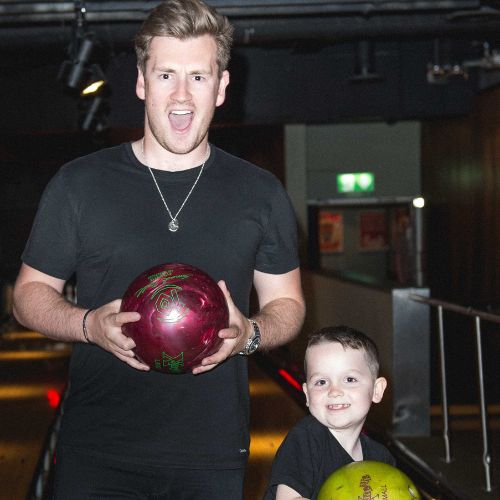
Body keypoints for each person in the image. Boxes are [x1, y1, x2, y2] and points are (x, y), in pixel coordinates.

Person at [12, 1, 305, 498]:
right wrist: (88, 326)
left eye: (199, 76)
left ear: (223, 87)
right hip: (97, 452)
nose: (182, 95)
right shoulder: (79, 184)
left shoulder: (261, 193)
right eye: (166, 74)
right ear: (142, 83)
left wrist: (250, 335)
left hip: (211, 455)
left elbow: (289, 305)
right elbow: (27, 297)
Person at [264, 325, 395, 500]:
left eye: (349, 379)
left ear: (377, 390)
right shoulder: (306, 439)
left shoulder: (381, 458)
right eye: (321, 382)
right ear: (307, 394)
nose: (334, 391)